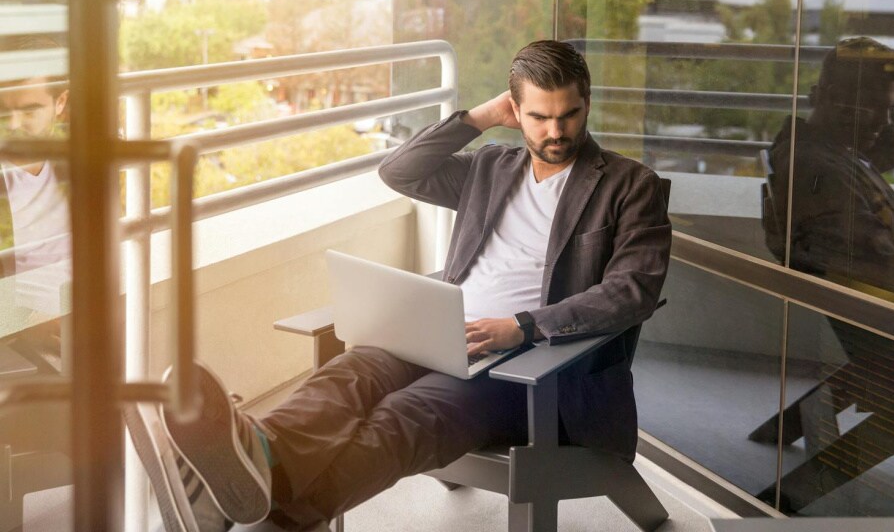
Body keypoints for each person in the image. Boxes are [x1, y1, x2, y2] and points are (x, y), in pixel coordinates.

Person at [128, 39, 672, 531]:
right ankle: (259, 452)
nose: (556, 132)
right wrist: (478, 118)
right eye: (538, 116)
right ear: (515, 111)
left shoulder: (629, 186)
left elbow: (633, 291)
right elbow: (400, 172)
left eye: (570, 114)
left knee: (404, 417)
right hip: (445, 332)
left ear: (588, 104)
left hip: (529, 368)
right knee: (350, 375)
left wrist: (521, 328)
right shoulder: (492, 168)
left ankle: (261, 507)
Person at [763, 36, 894, 305]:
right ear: (833, 98)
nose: (885, 122)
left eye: (890, 111)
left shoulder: (820, 150)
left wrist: (883, 145)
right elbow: (889, 269)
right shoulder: (820, 174)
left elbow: (860, 172)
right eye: (876, 108)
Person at [0, 37, 71, 362]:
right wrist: (25, 327)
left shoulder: (74, 163)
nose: (14, 125)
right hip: (24, 337)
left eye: (30, 110)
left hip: (82, 315)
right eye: (5, 110)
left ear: (60, 103)